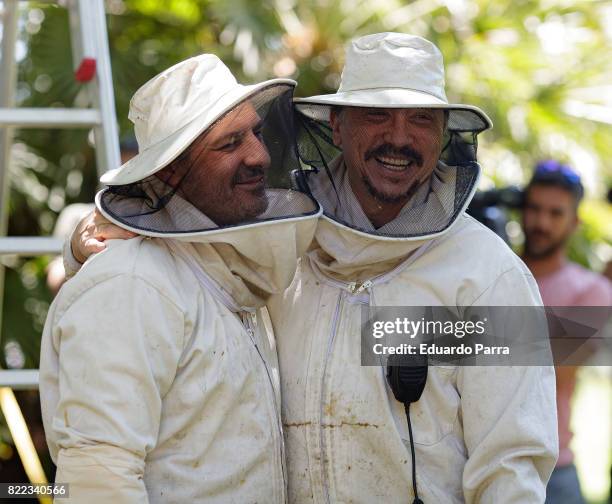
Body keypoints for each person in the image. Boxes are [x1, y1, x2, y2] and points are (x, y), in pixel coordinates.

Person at [67, 33, 558, 503]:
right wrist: (79, 245)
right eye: (376, 115)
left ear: (445, 134)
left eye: (422, 120)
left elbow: (512, 464)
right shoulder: (276, 244)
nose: (400, 138)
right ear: (336, 126)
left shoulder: (491, 278)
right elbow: (177, 253)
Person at [40, 54, 321, 502]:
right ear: (170, 170)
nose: (260, 155)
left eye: (256, 132)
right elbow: (99, 477)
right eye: (229, 143)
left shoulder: (234, 269)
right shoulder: (130, 286)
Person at [521, 160, 612, 504]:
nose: (542, 223)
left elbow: (553, 370)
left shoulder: (593, 291)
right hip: (472, 460)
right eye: (534, 209)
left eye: (555, 213)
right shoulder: (489, 273)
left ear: (574, 222)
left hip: (550, 471)